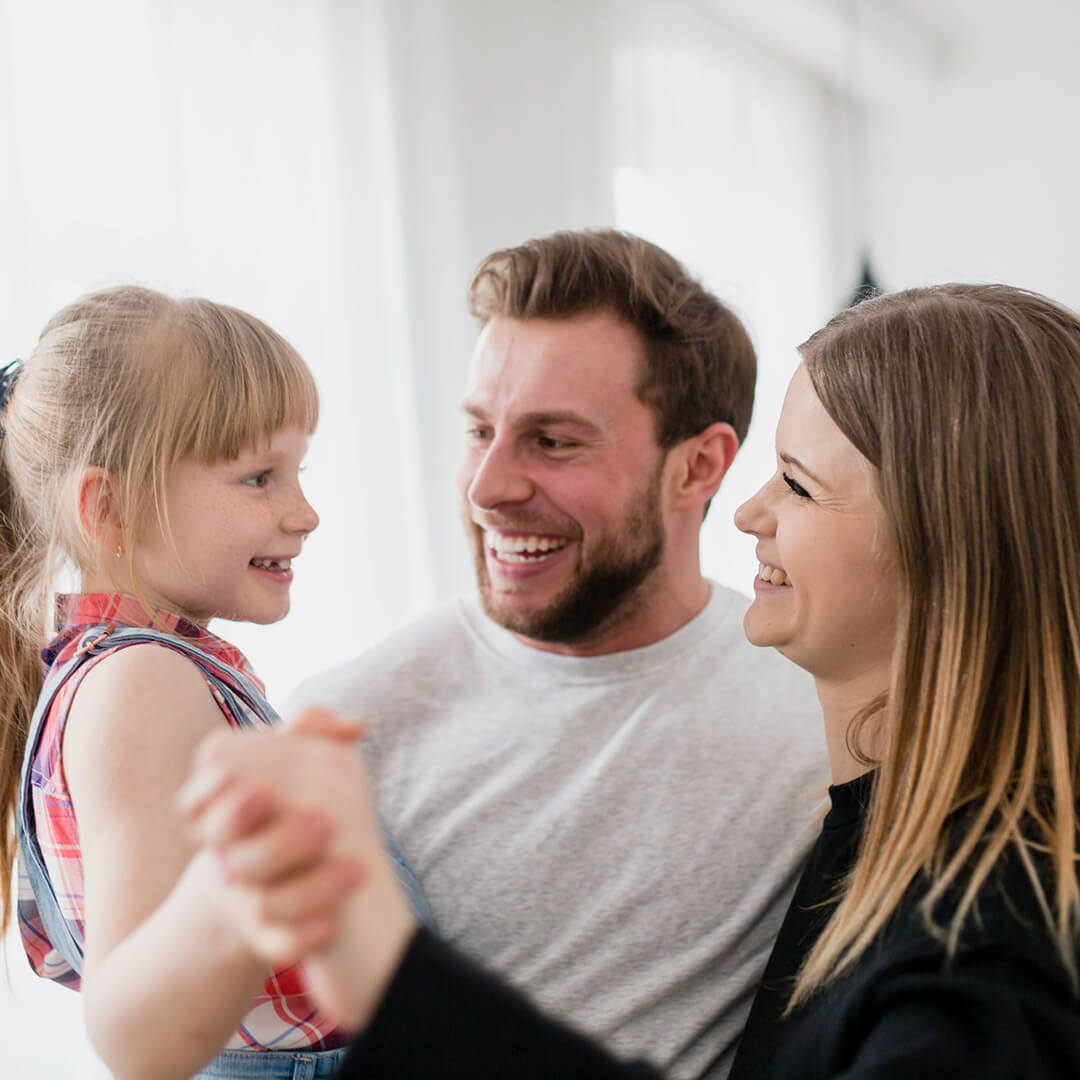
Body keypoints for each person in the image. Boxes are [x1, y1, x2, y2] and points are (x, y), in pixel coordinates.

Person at [184, 282, 1080, 1078]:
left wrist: (389, 966)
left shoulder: (991, 935)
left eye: (799, 487)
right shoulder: (873, 829)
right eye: (477, 429)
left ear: (952, 553)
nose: (751, 511)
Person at [285, 229, 826, 1077]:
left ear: (698, 467)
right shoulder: (344, 724)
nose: (487, 487)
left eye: (554, 440)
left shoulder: (822, 720)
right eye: (477, 430)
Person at [5, 286, 426, 1080]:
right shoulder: (140, 682)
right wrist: (250, 888)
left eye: (297, 472)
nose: (305, 513)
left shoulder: (129, 672)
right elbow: (136, 1024)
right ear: (111, 507)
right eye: (259, 478)